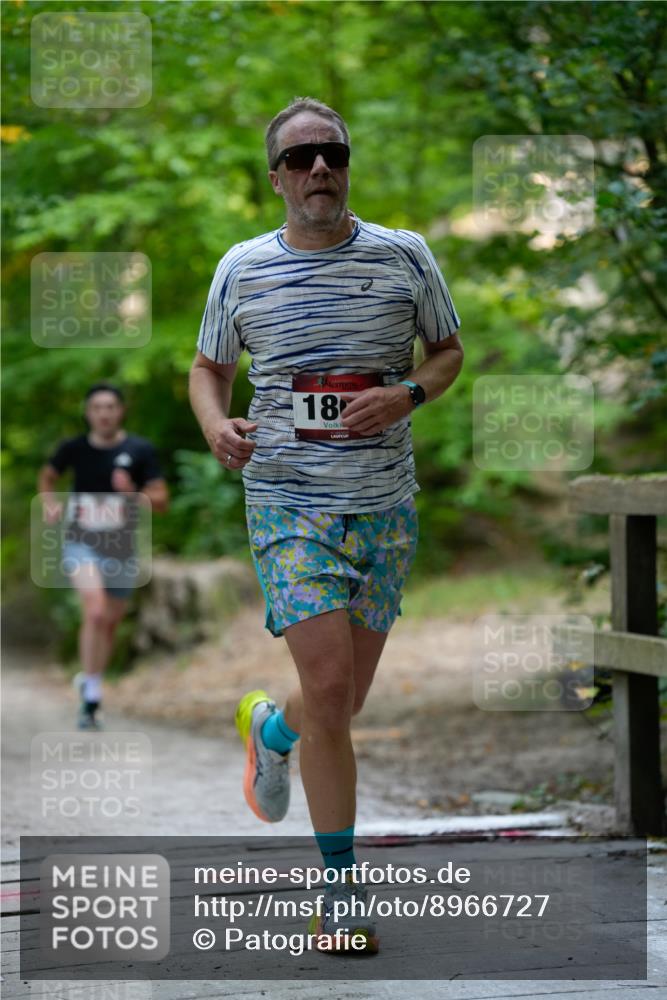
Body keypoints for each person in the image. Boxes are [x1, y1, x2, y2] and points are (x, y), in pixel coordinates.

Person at [189, 96, 463, 952]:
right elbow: (208, 368)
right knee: (335, 697)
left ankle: (271, 731)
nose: (319, 170)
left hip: (383, 503)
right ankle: (339, 894)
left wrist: (406, 393)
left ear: (346, 166)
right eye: (301, 158)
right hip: (285, 499)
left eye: (332, 155)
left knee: (334, 704)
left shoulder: (404, 256)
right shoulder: (242, 267)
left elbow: (448, 351)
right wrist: (213, 422)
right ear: (275, 178)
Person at [38, 383, 169, 729]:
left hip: (121, 545)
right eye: (97, 407)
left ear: (121, 411)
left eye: (111, 406)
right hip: (80, 540)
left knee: (109, 621)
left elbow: (162, 501)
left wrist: (134, 492)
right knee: (94, 610)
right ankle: (92, 697)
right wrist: (50, 504)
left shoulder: (139, 450)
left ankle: (90, 677)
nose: (104, 413)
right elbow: (48, 476)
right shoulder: (73, 449)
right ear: (88, 412)